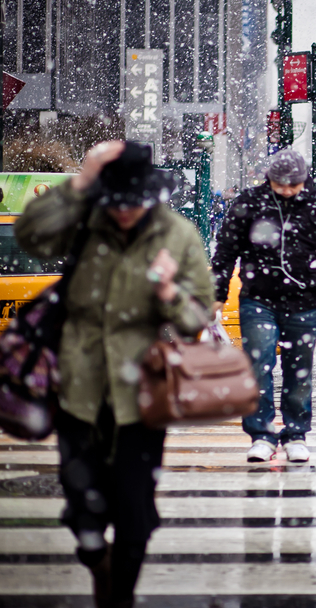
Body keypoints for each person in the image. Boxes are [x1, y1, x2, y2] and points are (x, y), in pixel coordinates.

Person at [15, 140, 214, 608]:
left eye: (133, 204)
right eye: (115, 203)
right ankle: (95, 557)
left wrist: (167, 292)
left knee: (134, 510)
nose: (124, 213)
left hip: (142, 395)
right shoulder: (86, 219)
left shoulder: (178, 235)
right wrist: (81, 181)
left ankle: (118, 596)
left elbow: (198, 317)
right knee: (82, 507)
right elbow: (30, 235)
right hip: (77, 388)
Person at [211, 149, 316, 463]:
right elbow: (225, 251)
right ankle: (261, 434)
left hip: (305, 302)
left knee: (298, 370)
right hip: (258, 299)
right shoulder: (249, 204)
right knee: (258, 366)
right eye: (281, 184)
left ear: (304, 181)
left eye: (294, 185)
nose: (288, 190)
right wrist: (217, 294)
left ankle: (296, 433)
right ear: (270, 180)